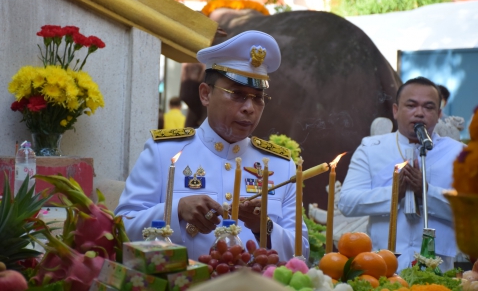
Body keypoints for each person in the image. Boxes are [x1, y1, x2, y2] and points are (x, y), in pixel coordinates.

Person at [115, 30, 310, 262]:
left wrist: (264, 228)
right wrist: (176, 210)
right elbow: (122, 229)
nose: (250, 107)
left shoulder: (281, 167)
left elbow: (302, 254)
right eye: (237, 94)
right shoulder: (163, 153)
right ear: (206, 94)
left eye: (258, 97)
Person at [338, 77, 465, 273]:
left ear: (439, 114)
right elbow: (347, 202)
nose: (420, 113)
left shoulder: (459, 154)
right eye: (411, 105)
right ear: (396, 110)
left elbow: (471, 210)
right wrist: (396, 192)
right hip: (381, 268)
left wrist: (426, 191)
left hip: (438, 272)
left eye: (428, 107)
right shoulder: (371, 148)